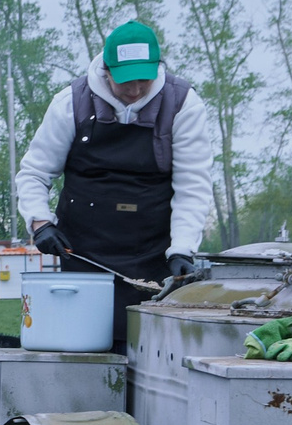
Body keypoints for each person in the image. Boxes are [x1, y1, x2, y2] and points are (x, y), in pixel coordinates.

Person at [12, 18, 218, 351]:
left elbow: (192, 186)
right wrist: (40, 222)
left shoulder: (183, 104)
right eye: (125, 81)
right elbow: (34, 173)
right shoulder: (71, 102)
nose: (135, 90)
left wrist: (182, 249)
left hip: (154, 253)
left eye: (143, 80)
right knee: (81, 349)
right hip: (82, 252)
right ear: (106, 71)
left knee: (148, 350)